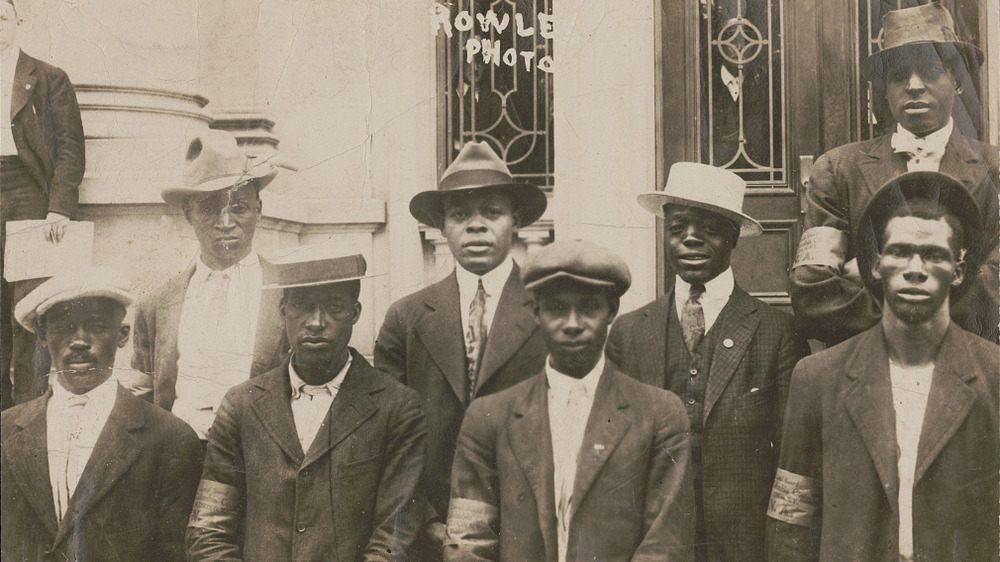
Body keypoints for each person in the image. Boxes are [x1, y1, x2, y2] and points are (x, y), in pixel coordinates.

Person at [766, 172, 999, 562]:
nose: (915, 268)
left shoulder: (993, 374)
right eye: (900, 251)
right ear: (876, 264)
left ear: (959, 270)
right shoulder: (818, 377)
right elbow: (791, 518)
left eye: (935, 255)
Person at [606, 162, 809, 561]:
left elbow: (792, 458)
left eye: (709, 229)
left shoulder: (777, 332)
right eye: (678, 228)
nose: (691, 240)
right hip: (651, 542)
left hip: (743, 544)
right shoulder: (629, 333)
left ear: (733, 238)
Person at [446, 240, 694, 561]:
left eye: (589, 307)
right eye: (558, 308)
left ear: (612, 312)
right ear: (536, 312)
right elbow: (468, 540)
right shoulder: (489, 416)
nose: (573, 324)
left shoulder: (660, 413)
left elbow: (666, 544)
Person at [188, 251, 428, 561]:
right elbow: (208, 529)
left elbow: (395, 537)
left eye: (334, 307)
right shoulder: (241, 404)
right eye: (302, 306)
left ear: (355, 313)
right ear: (282, 310)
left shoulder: (397, 407)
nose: (316, 322)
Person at [375, 141, 549, 557]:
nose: (476, 226)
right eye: (460, 215)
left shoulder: (552, 310)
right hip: (432, 529)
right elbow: (385, 434)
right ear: (441, 226)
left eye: (492, 212)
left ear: (516, 220)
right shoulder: (408, 317)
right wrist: (423, 518)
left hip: (530, 529)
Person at [790, 3, 999, 344]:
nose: (914, 85)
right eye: (899, 74)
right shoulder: (838, 170)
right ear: (885, 87)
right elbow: (812, 291)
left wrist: (872, 280)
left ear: (957, 80)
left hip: (969, 367)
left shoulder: (995, 170)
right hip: (866, 369)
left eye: (931, 72)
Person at [1, 267, 202, 561]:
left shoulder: (169, 438)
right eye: (64, 327)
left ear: (122, 336)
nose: (79, 340)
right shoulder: (6, 431)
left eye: (95, 325)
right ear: (43, 337)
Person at [130, 130, 287, 438]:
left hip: (258, 462)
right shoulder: (156, 305)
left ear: (259, 208)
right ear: (188, 214)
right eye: (209, 208)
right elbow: (142, 397)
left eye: (238, 206)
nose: (225, 221)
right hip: (179, 460)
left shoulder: (289, 294)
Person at [1, 0, 86, 408]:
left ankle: (26, 414)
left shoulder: (48, 77)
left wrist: (59, 206)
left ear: (17, 21)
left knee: (28, 309)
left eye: (1, 17)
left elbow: (71, 147)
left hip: (28, 192)